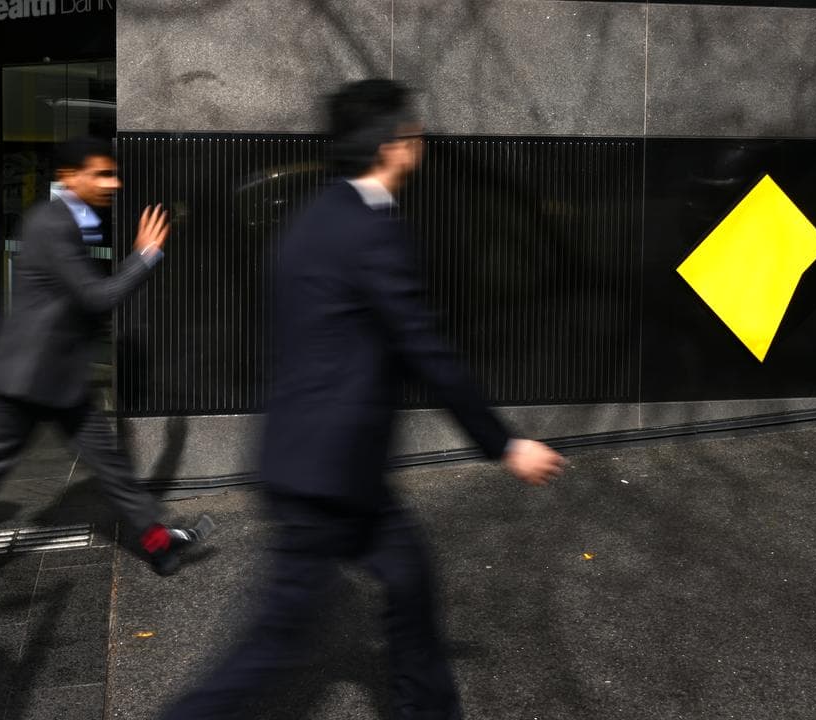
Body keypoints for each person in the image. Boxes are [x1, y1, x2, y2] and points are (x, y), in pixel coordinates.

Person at [160, 80, 566, 720]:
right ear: (391, 147)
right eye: (414, 134)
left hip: (328, 464)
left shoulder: (313, 217)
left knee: (409, 582)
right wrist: (504, 442)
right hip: (327, 476)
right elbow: (425, 347)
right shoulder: (371, 230)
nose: (420, 144)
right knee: (273, 642)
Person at [0, 137, 213, 605]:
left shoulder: (73, 218)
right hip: (27, 379)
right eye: (101, 173)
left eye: (112, 173)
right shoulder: (50, 222)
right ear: (69, 176)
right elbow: (96, 297)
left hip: (58, 374)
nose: (113, 182)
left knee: (110, 466)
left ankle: (158, 544)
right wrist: (145, 254)